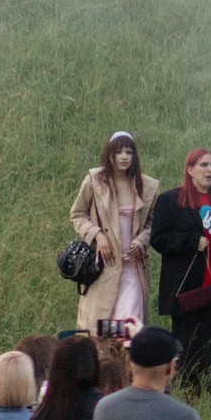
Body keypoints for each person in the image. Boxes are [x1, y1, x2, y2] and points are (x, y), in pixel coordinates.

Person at [146, 150, 211, 385]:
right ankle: (185, 388)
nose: (209, 170)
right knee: (187, 345)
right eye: (203, 165)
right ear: (190, 170)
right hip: (187, 290)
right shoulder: (170, 200)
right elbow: (158, 239)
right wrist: (189, 241)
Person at [70, 133, 158, 334]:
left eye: (129, 152)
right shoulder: (94, 180)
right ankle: (106, 356)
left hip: (133, 268)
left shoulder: (146, 185)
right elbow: (77, 214)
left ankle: (127, 355)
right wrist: (97, 235)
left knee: (129, 328)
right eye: (119, 152)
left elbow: (153, 223)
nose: (124, 157)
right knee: (102, 328)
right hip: (104, 266)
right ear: (110, 155)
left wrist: (142, 241)